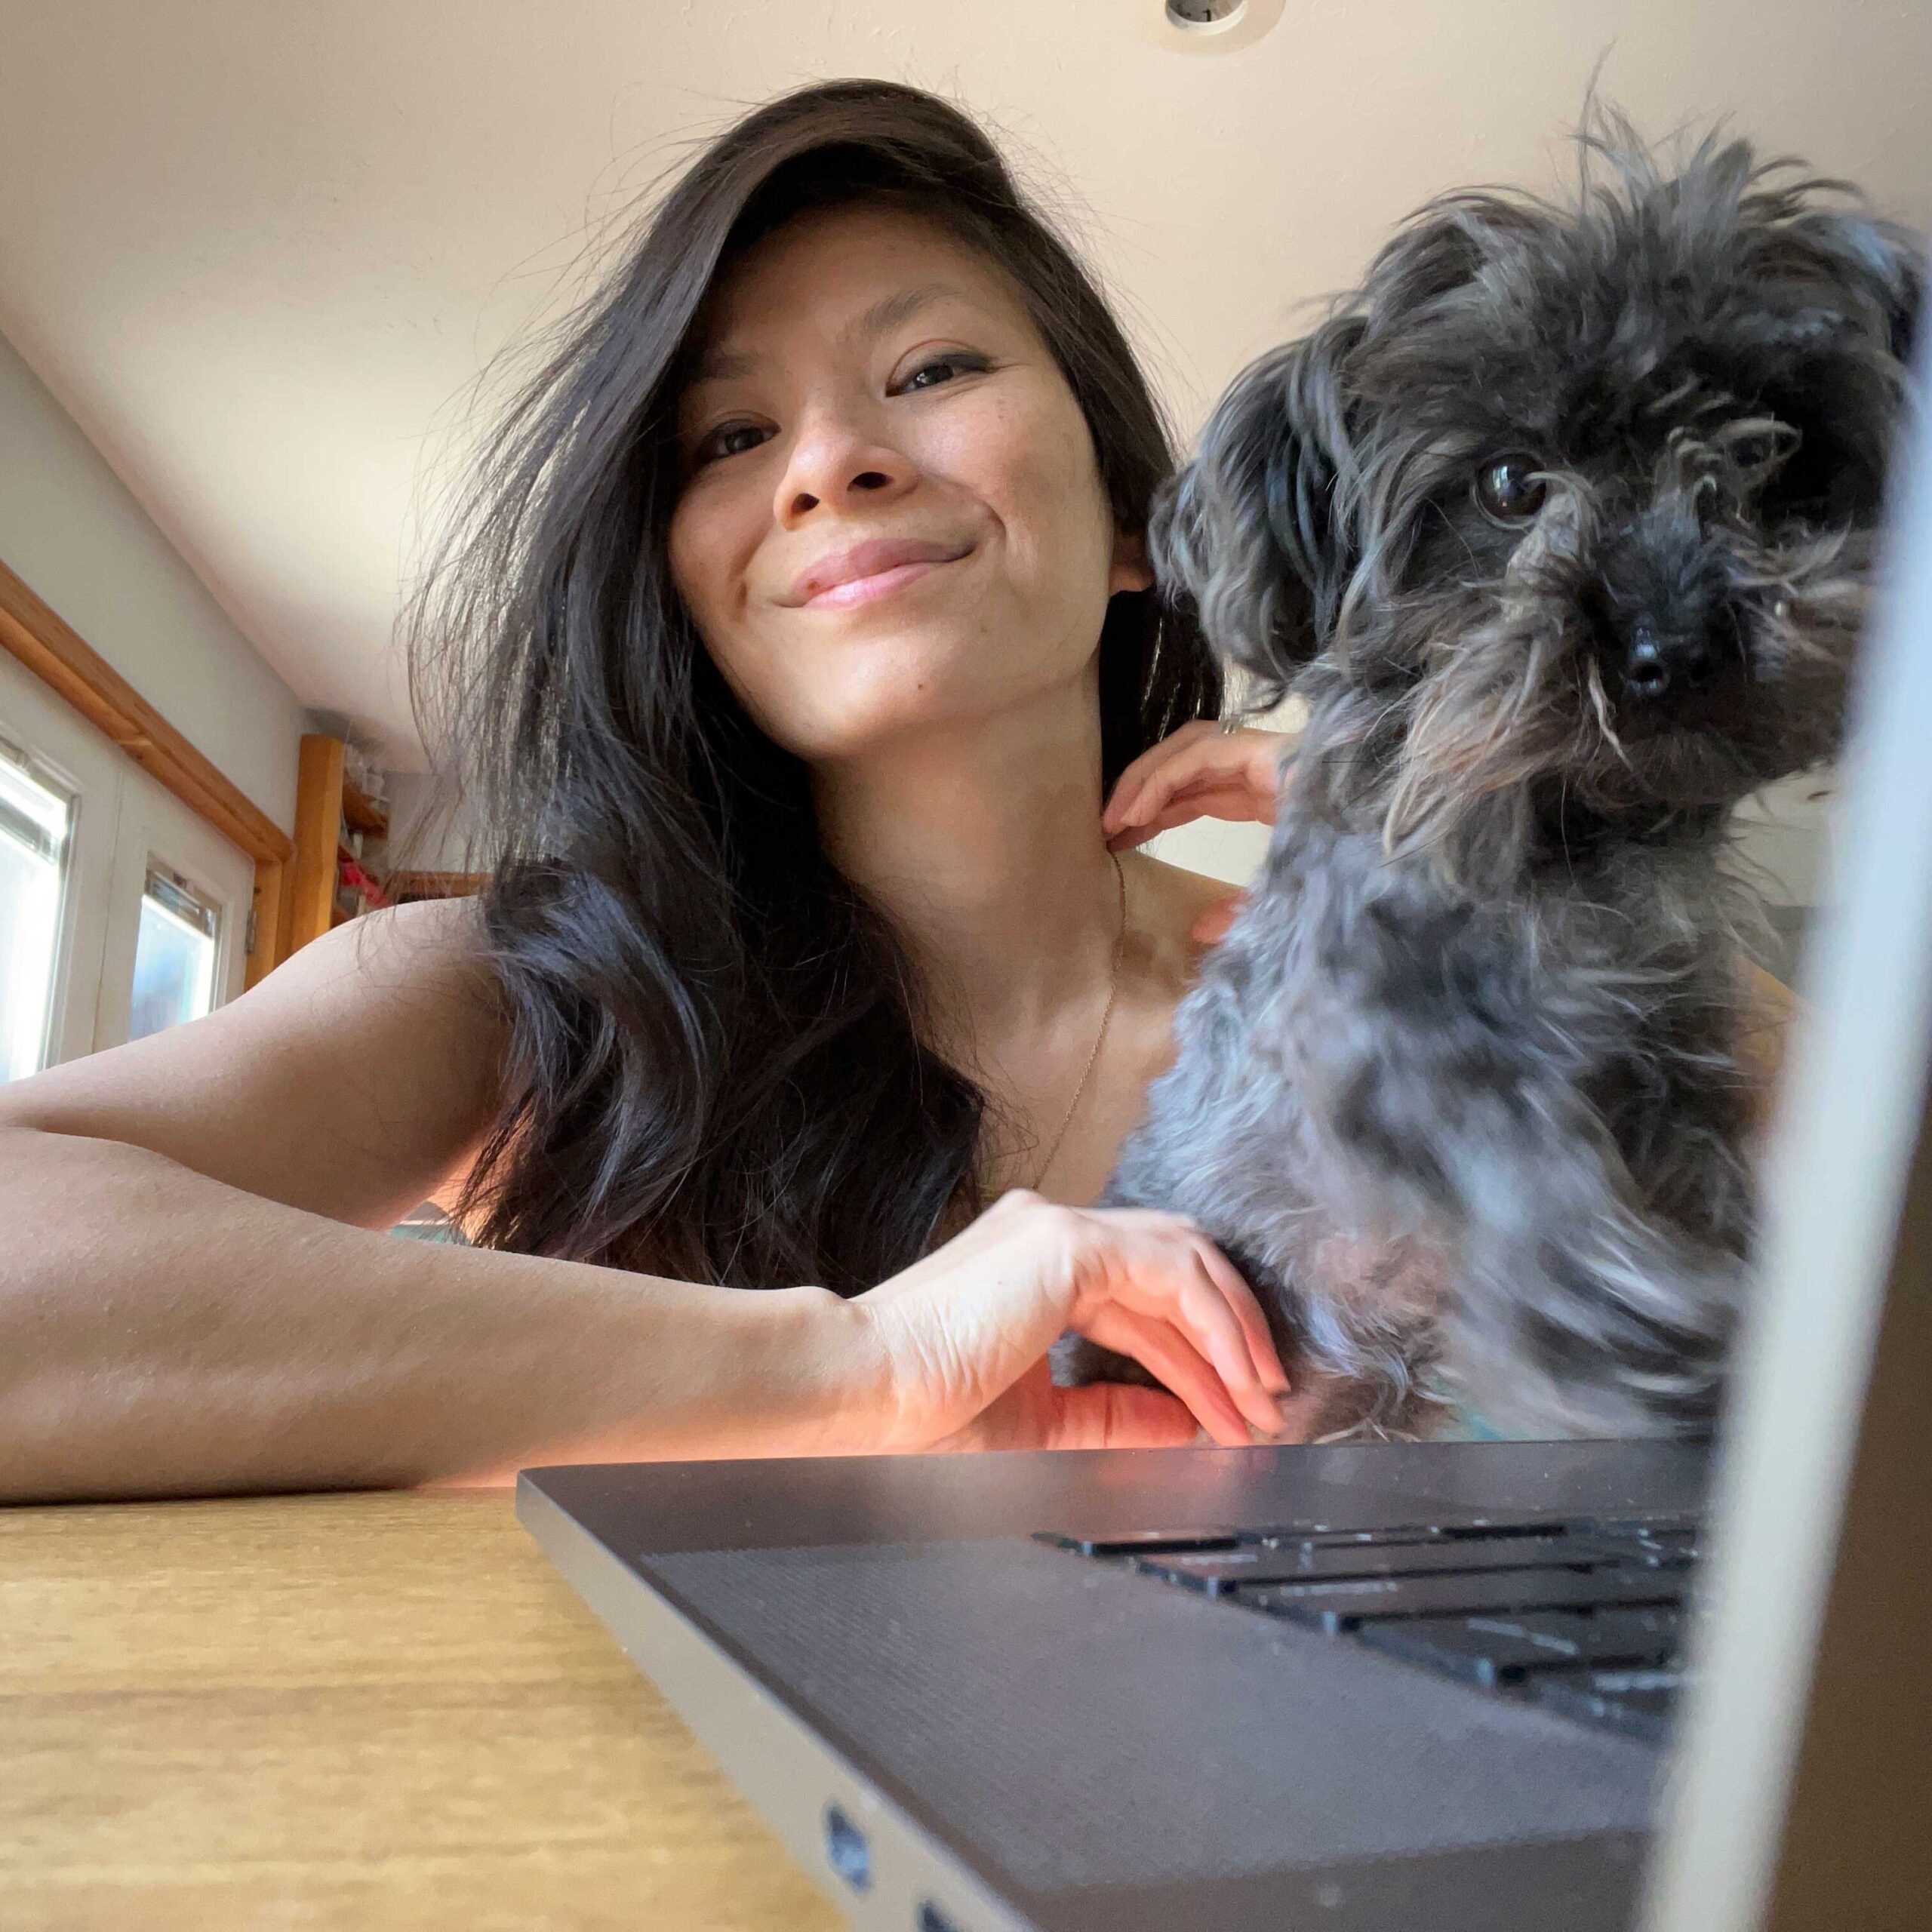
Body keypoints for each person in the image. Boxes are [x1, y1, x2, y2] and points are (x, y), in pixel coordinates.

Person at [0, 81, 1315, 1503]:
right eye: (731, 438)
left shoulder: (1365, 1007)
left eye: (932, 369)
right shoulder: (523, 996)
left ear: (1133, 523)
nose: (827, 463)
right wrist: (856, 1366)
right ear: (683, 590)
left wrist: (1506, 901)